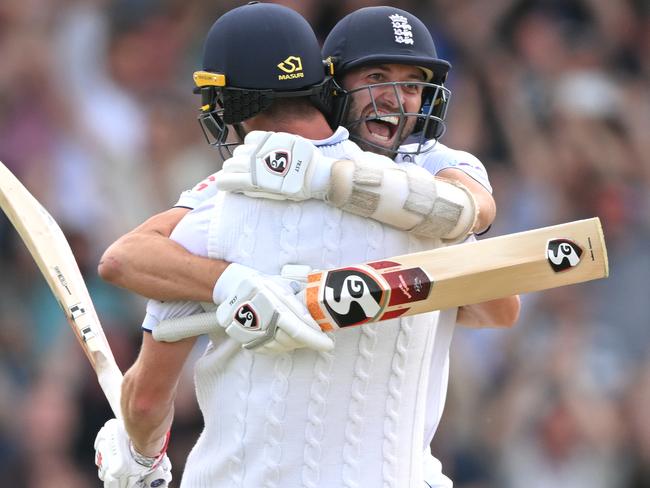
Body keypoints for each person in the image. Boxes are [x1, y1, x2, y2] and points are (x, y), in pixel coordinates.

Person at [94, 4, 519, 488]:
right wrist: (241, 283)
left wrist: (139, 455)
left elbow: (145, 399)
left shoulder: (216, 222)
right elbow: (125, 258)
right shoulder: (428, 211)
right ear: (326, 87)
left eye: (412, 85)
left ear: (230, 104)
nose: (397, 101)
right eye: (377, 76)